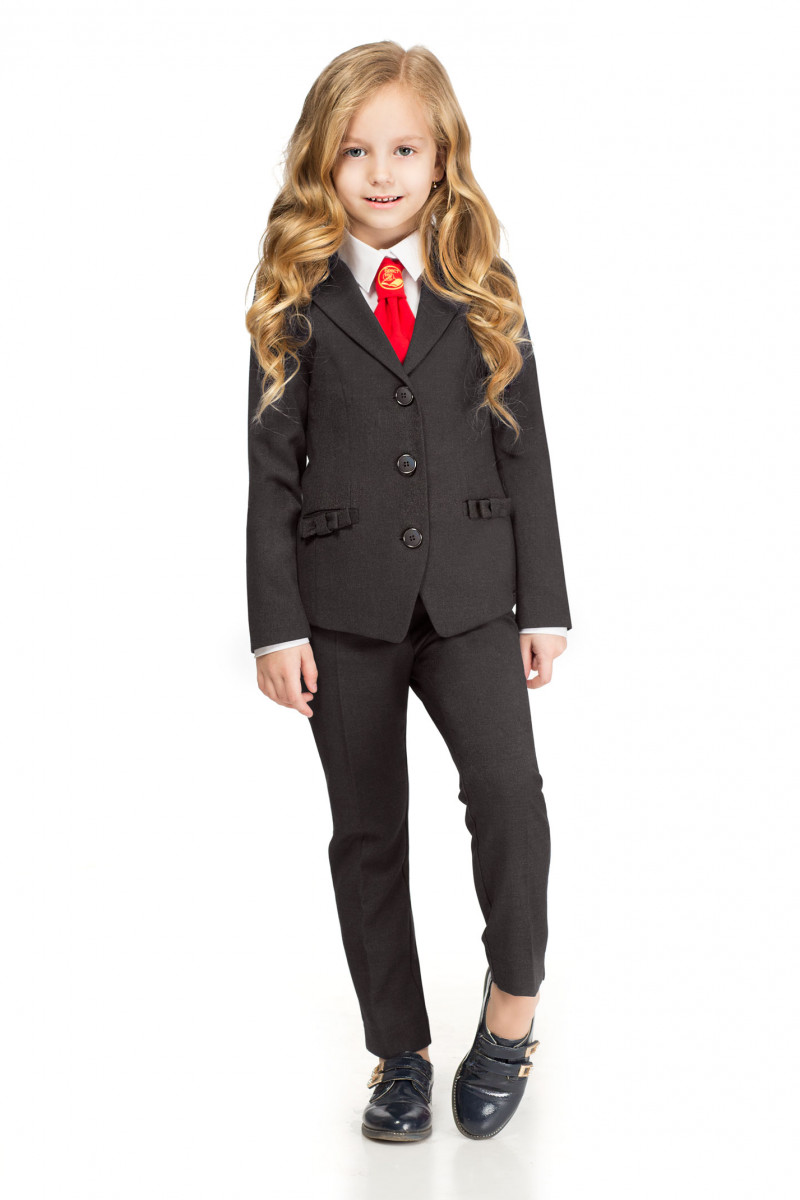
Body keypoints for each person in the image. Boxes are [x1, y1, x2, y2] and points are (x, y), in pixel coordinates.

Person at [245, 40, 572, 1142]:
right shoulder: (293, 294)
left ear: (441, 160)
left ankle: (512, 1012)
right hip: (341, 609)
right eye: (354, 152)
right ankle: (399, 1054)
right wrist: (276, 626)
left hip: (473, 595)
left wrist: (543, 603)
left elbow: (525, 450)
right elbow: (269, 470)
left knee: (510, 799)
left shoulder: (482, 285)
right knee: (367, 830)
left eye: (403, 150)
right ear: (321, 163)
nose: (380, 173)